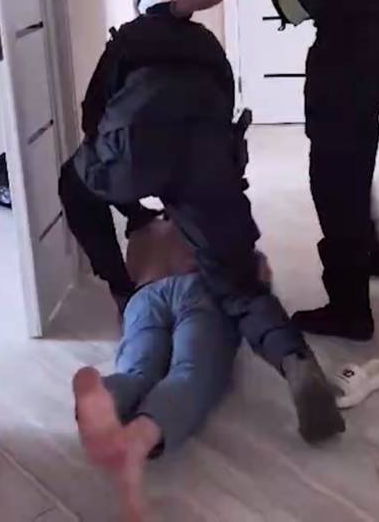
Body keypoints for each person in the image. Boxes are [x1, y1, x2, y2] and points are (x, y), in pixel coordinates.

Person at [60, 14, 344, 445]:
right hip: (204, 240)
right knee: (200, 355)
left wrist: (124, 271)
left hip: (144, 286)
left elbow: (93, 129)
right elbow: (226, 146)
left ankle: (114, 393)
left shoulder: (126, 45)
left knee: (138, 365)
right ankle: (293, 360)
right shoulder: (209, 52)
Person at [156, 0, 379, 341]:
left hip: (351, 41)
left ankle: (350, 308)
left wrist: (175, 9)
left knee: (334, 171)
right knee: (353, 146)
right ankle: (367, 247)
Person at [73, 218, 253, 522]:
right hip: (202, 290)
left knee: (139, 373)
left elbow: (127, 277)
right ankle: (138, 441)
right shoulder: (222, 221)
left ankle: (110, 393)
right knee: (190, 372)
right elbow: (254, 292)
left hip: (145, 295)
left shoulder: (146, 230)